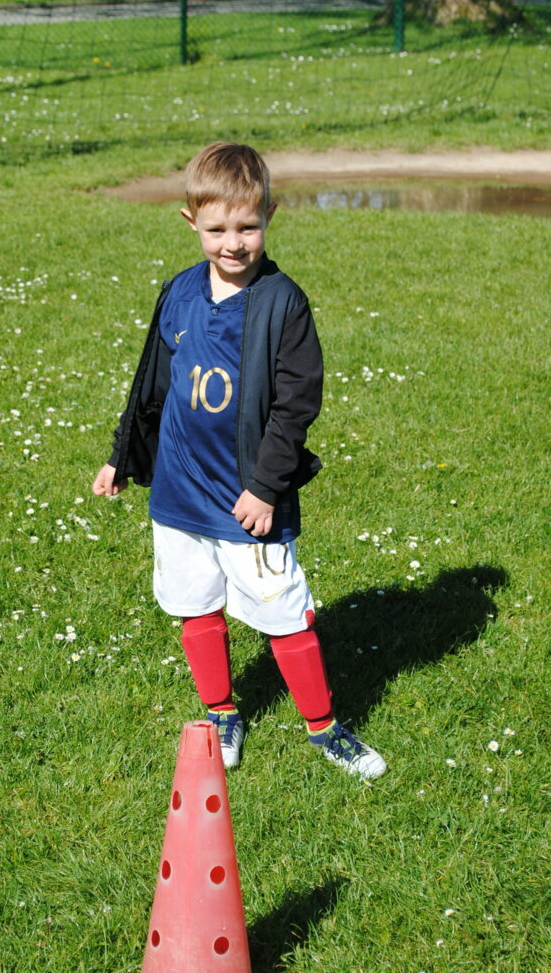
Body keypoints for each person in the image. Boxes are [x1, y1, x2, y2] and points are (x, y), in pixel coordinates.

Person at [92, 142, 385, 780]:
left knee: (283, 611)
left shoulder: (283, 304)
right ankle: (222, 712)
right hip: (178, 493)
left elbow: (295, 407)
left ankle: (324, 728)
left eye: (247, 227)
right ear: (191, 221)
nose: (233, 243)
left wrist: (264, 487)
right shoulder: (179, 293)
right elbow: (151, 385)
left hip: (246, 501)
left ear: (269, 216)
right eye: (217, 229)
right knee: (196, 605)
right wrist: (121, 456)